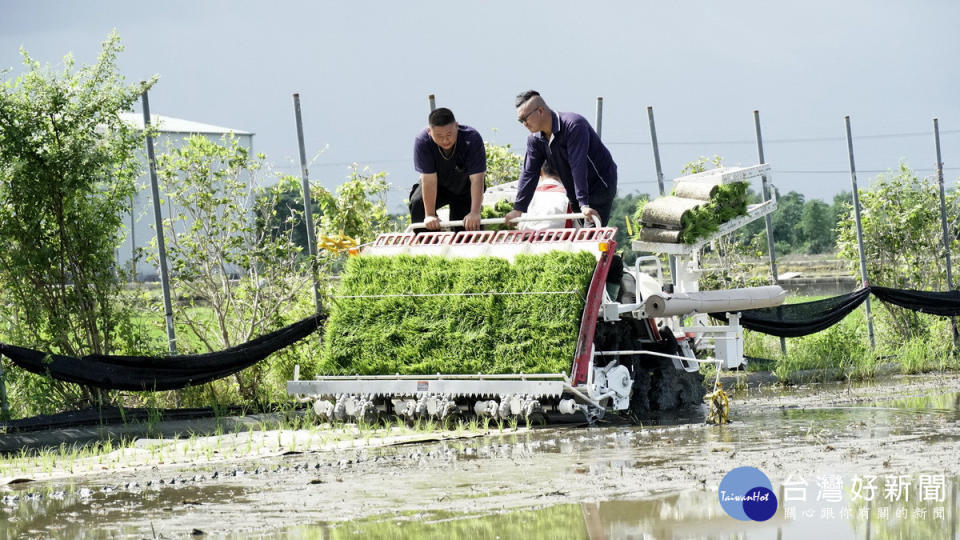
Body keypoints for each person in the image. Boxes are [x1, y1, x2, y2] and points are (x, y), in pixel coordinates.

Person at [505, 90, 617, 226]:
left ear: (540, 110)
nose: (524, 124)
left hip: (599, 185)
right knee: (582, 236)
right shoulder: (535, 140)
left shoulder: (573, 125)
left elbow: (578, 165)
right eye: (520, 121)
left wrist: (584, 204)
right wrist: (518, 209)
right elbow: (529, 173)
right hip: (574, 191)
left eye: (525, 118)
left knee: (591, 236)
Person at [410, 107, 486, 231]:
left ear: (457, 126)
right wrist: (430, 215)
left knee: (466, 227)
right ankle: (428, 247)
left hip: (465, 188)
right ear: (430, 132)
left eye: (449, 135)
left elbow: (477, 178)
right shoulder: (422, 141)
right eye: (439, 136)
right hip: (438, 186)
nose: (445, 140)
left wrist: (475, 212)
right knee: (418, 202)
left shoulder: (472, 138)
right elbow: (428, 180)